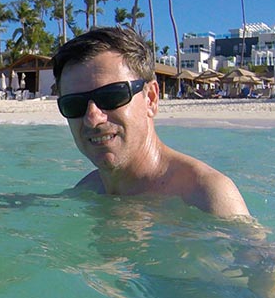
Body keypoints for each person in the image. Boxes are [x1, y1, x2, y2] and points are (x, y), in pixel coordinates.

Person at [52, 27, 250, 217]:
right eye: (74, 104)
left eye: (111, 96)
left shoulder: (207, 195)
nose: (92, 118)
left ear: (151, 99)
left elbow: (255, 252)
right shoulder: (90, 189)